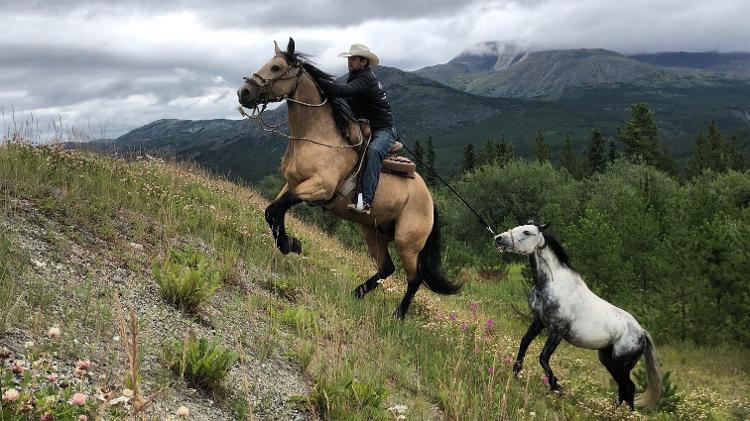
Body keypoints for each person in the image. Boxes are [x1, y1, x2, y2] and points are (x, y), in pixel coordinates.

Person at [318, 43, 396, 215]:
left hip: (384, 130)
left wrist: (320, 83)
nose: (350, 62)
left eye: (353, 59)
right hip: (365, 126)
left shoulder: (365, 78)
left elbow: (345, 91)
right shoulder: (354, 76)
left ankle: (366, 201)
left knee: (374, 152)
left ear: (364, 62)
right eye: (349, 58)